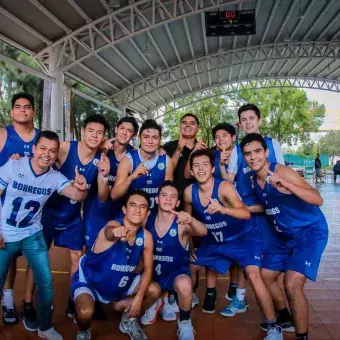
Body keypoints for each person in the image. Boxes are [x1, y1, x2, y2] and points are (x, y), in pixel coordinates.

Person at [185, 149, 283, 340]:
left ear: (212, 168)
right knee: (190, 264)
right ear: (191, 171)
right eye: (196, 165)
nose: (201, 168)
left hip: (243, 237)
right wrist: (191, 246)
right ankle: (184, 315)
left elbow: (245, 214)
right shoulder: (189, 193)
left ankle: (273, 327)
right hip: (215, 241)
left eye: (205, 164)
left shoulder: (224, 188)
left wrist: (223, 209)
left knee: (254, 275)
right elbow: (188, 221)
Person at [0, 130, 88, 339]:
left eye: (52, 151)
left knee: (45, 281)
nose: (46, 154)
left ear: (57, 155)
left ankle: (44, 326)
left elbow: (76, 194)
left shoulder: (54, 177)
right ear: (33, 149)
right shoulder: (14, 166)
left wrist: (82, 187)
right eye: (42, 148)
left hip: (32, 233)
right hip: (6, 232)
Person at [241, 133, 328, 340]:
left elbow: (317, 198)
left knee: (291, 284)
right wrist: (240, 209)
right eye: (247, 154)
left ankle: (302, 336)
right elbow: (267, 205)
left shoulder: (282, 173)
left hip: (309, 232)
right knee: (266, 276)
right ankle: (284, 317)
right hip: (285, 236)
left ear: (267, 153)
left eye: (257, 151)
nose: (253, 157)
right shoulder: (254, 179)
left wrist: (288, 186)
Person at [227, 104, 293, 332]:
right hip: (249, 215)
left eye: (251, 118)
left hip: (272, 215)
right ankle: (272, 313)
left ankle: (283, 313)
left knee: (275, 266)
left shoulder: (273, 145)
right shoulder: (236, 151)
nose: (247, 122)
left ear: (259, 120)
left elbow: (283, 175)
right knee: (254, 266)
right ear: (240, 123)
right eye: (243, 119)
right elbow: (229, 181)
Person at [42, 114, 110, 319]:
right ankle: (33, 302)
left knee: (77, 257)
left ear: (103, 136)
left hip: (72, 215)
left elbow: (103, 196)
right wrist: (19, 159)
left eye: (99, 133)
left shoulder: (102, 160)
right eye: (91, 131)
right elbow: (42, 153)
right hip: (47, 213)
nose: (94, 136)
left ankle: (73, 300)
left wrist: (105, 175)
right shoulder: (64, 147)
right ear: (83, 132)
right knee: (39, 258)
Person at [72, 190, 161, 340]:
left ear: (147, 213)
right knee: (85, 312)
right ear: (124, 209)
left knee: (154, 290)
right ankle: (83, 330)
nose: (138, 210)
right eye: (133, 205)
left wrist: (138, 299)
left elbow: (148, 269)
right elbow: (109, 231)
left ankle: (128, 321)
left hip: (121, 283)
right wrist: (116, 232)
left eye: (143, 207)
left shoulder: (146, 237)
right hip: (90, 282)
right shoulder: (114, 225)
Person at [141, 181, 207, 339]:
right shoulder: (147, 219)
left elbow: (203, 231)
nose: (168, 199)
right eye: (164, 195)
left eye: (173, 197)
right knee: (141, 290)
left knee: (185, 285)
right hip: (153, 274)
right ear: (157, 199)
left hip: (175, 273)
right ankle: (158, 302)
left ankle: (184, 323)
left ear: (178, 202)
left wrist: (190, 219)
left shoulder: (181, 223)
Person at [0, 93, 40, 326]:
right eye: (18, 107)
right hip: (7, 209)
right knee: (10, 257)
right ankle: (7, 301)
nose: (23, 111)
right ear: (12, 112)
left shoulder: (41, 139)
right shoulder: (4, 135)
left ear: (34, 111)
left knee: (35, 259)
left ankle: (28, 303)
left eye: (27, 107)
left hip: (34, 211)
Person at [83, 116, 138, 248]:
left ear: (134, 135)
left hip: (118, 205)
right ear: (116, 129)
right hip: (96, 205)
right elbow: (85, 147)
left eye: (129, 131)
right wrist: (101, 148)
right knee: (92, 244)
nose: (124, 133)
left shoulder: (133, 154)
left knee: (116, 244)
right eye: (122, 128)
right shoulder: (102, 147)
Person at [111, 119, 173, 211]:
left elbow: (169, 195)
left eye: (155, 138)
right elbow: (114, 195)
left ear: (160, 140)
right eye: (146, 137)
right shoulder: (128, 160)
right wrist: (131, 177)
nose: (150, 141)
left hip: (156, 217)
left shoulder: (166, 160)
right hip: (133, 216)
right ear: (140, 138)